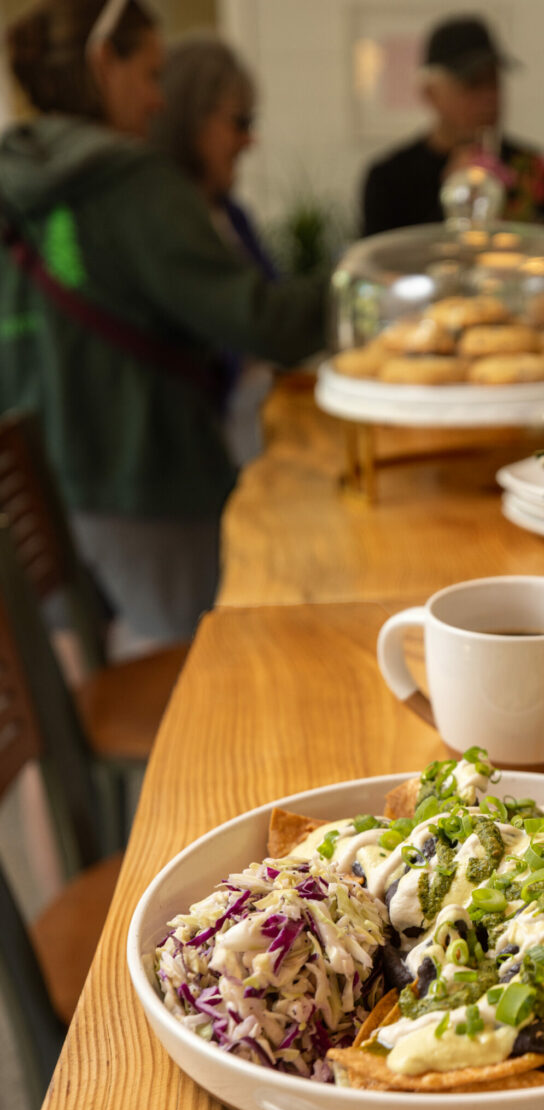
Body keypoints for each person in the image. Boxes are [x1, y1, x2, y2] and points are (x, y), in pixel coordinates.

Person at [0, 0, 326, 646]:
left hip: (52, 478)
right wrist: (360, 285)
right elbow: (259, 320)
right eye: (150, 74)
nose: (158, 101)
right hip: (147, 472)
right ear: (103, 63)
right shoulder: (132, 181)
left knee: (125, 649)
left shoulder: (19, 179)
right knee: (214, 660)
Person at [151, 36, 277, 467]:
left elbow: (273, 312)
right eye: (239, 123)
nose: (249, 140)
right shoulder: (159, 225)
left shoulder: (233, 216)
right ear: (191, 122)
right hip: (200, 460)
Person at [361, 14, 544, 237]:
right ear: (431, 94)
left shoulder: (530, 167)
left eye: (493, 82)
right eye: (473, 83)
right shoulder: (389, 179)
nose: (489, 96)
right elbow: (383, 263)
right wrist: (454, 198)